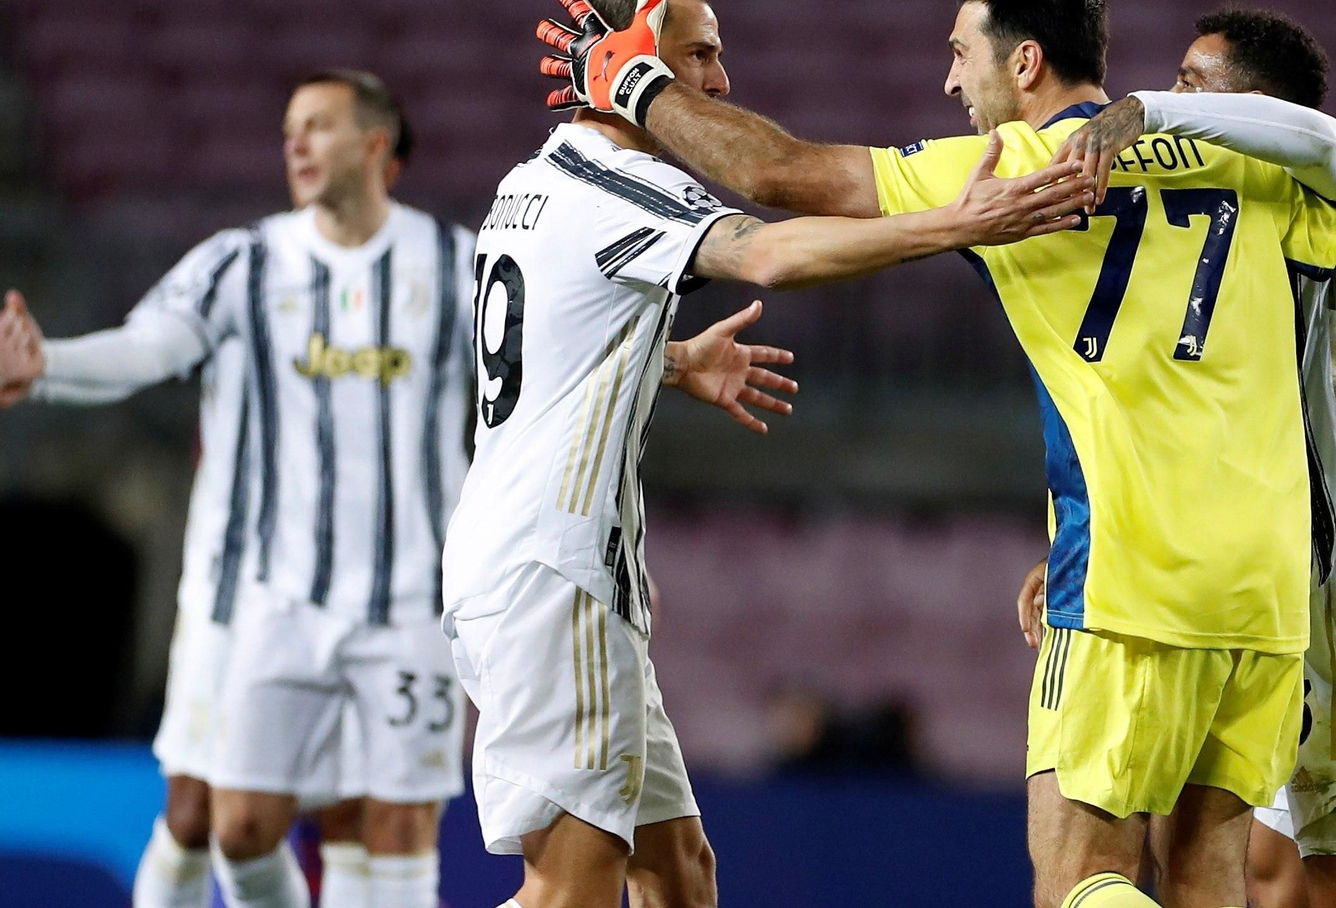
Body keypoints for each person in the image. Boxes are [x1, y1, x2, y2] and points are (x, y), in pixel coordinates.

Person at [534, 0, 1336, 908]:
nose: (948, 78)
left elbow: (779, 173)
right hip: (1269, 584)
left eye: (963, 52)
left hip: (1134, 575)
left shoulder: (1012, 167)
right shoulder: (1244, 168)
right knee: (1206, 873)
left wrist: (628, 82)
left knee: (1078, 879)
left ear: (1026, 64)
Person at [0, 70, 804, 908]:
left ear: (376, 145)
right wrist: (49, 367)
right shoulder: (242, 263)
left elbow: (547, 340)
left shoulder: (450, 263)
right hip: (274, 598)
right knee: (230, 824)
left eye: (316, 126)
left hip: (407, 599)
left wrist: (672, 364)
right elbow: (150, 345)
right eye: (288, 131)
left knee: (390, 828)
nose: (295, 145)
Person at [444, 0, 1093, 908]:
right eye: (699, 53)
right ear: (633, 55)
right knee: (572, 890)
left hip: (530, 564)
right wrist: (952, 222)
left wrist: (663, 361)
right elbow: (770, 251)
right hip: (555, 575)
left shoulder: (529, 185)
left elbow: (537, 346)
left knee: (679, 872)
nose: (718, 82)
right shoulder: (620, 184)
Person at [1049, 6, 1336, 908]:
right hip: (1271, 581)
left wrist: (1143, 113)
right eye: (1174, 81)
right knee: (1268, 876)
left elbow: (1331, 154)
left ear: (1259, 107)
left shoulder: (1324, 186)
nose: (1174, 92)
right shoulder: (1211, 228)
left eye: (1195, 80)